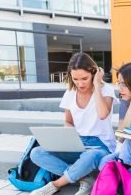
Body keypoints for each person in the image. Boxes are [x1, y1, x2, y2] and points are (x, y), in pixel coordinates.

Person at [30, 53, 118, 195]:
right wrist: (67, 138)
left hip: (100, 146)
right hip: (78, 143)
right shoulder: (70, 92)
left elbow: (103, 114)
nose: (80, 83)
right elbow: (69, 121)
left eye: (85, 78)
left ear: (93, 73)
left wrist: (96, 83)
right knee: (36, 153)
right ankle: (84, 179)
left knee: (91, 156)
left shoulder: (105, 90)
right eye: (75, 79)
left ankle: (55, 184)